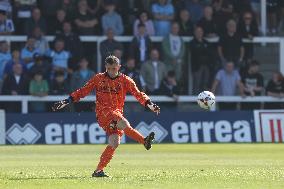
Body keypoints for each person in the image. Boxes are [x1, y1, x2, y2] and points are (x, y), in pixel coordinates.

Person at [52, 55, 160, 177]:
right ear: (105, 67)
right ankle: (143, 141)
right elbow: (83, 91)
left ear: (119, 67)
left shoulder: (126, 80)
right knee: (123, 123)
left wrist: (150, 105)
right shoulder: (98, 78)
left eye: (114, 68)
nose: (111, 71)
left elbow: (139, 94)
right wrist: (66, 101)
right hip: (103, 113)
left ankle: (98, 171)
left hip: (117, 113)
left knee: (115, 142)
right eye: (109, 68)